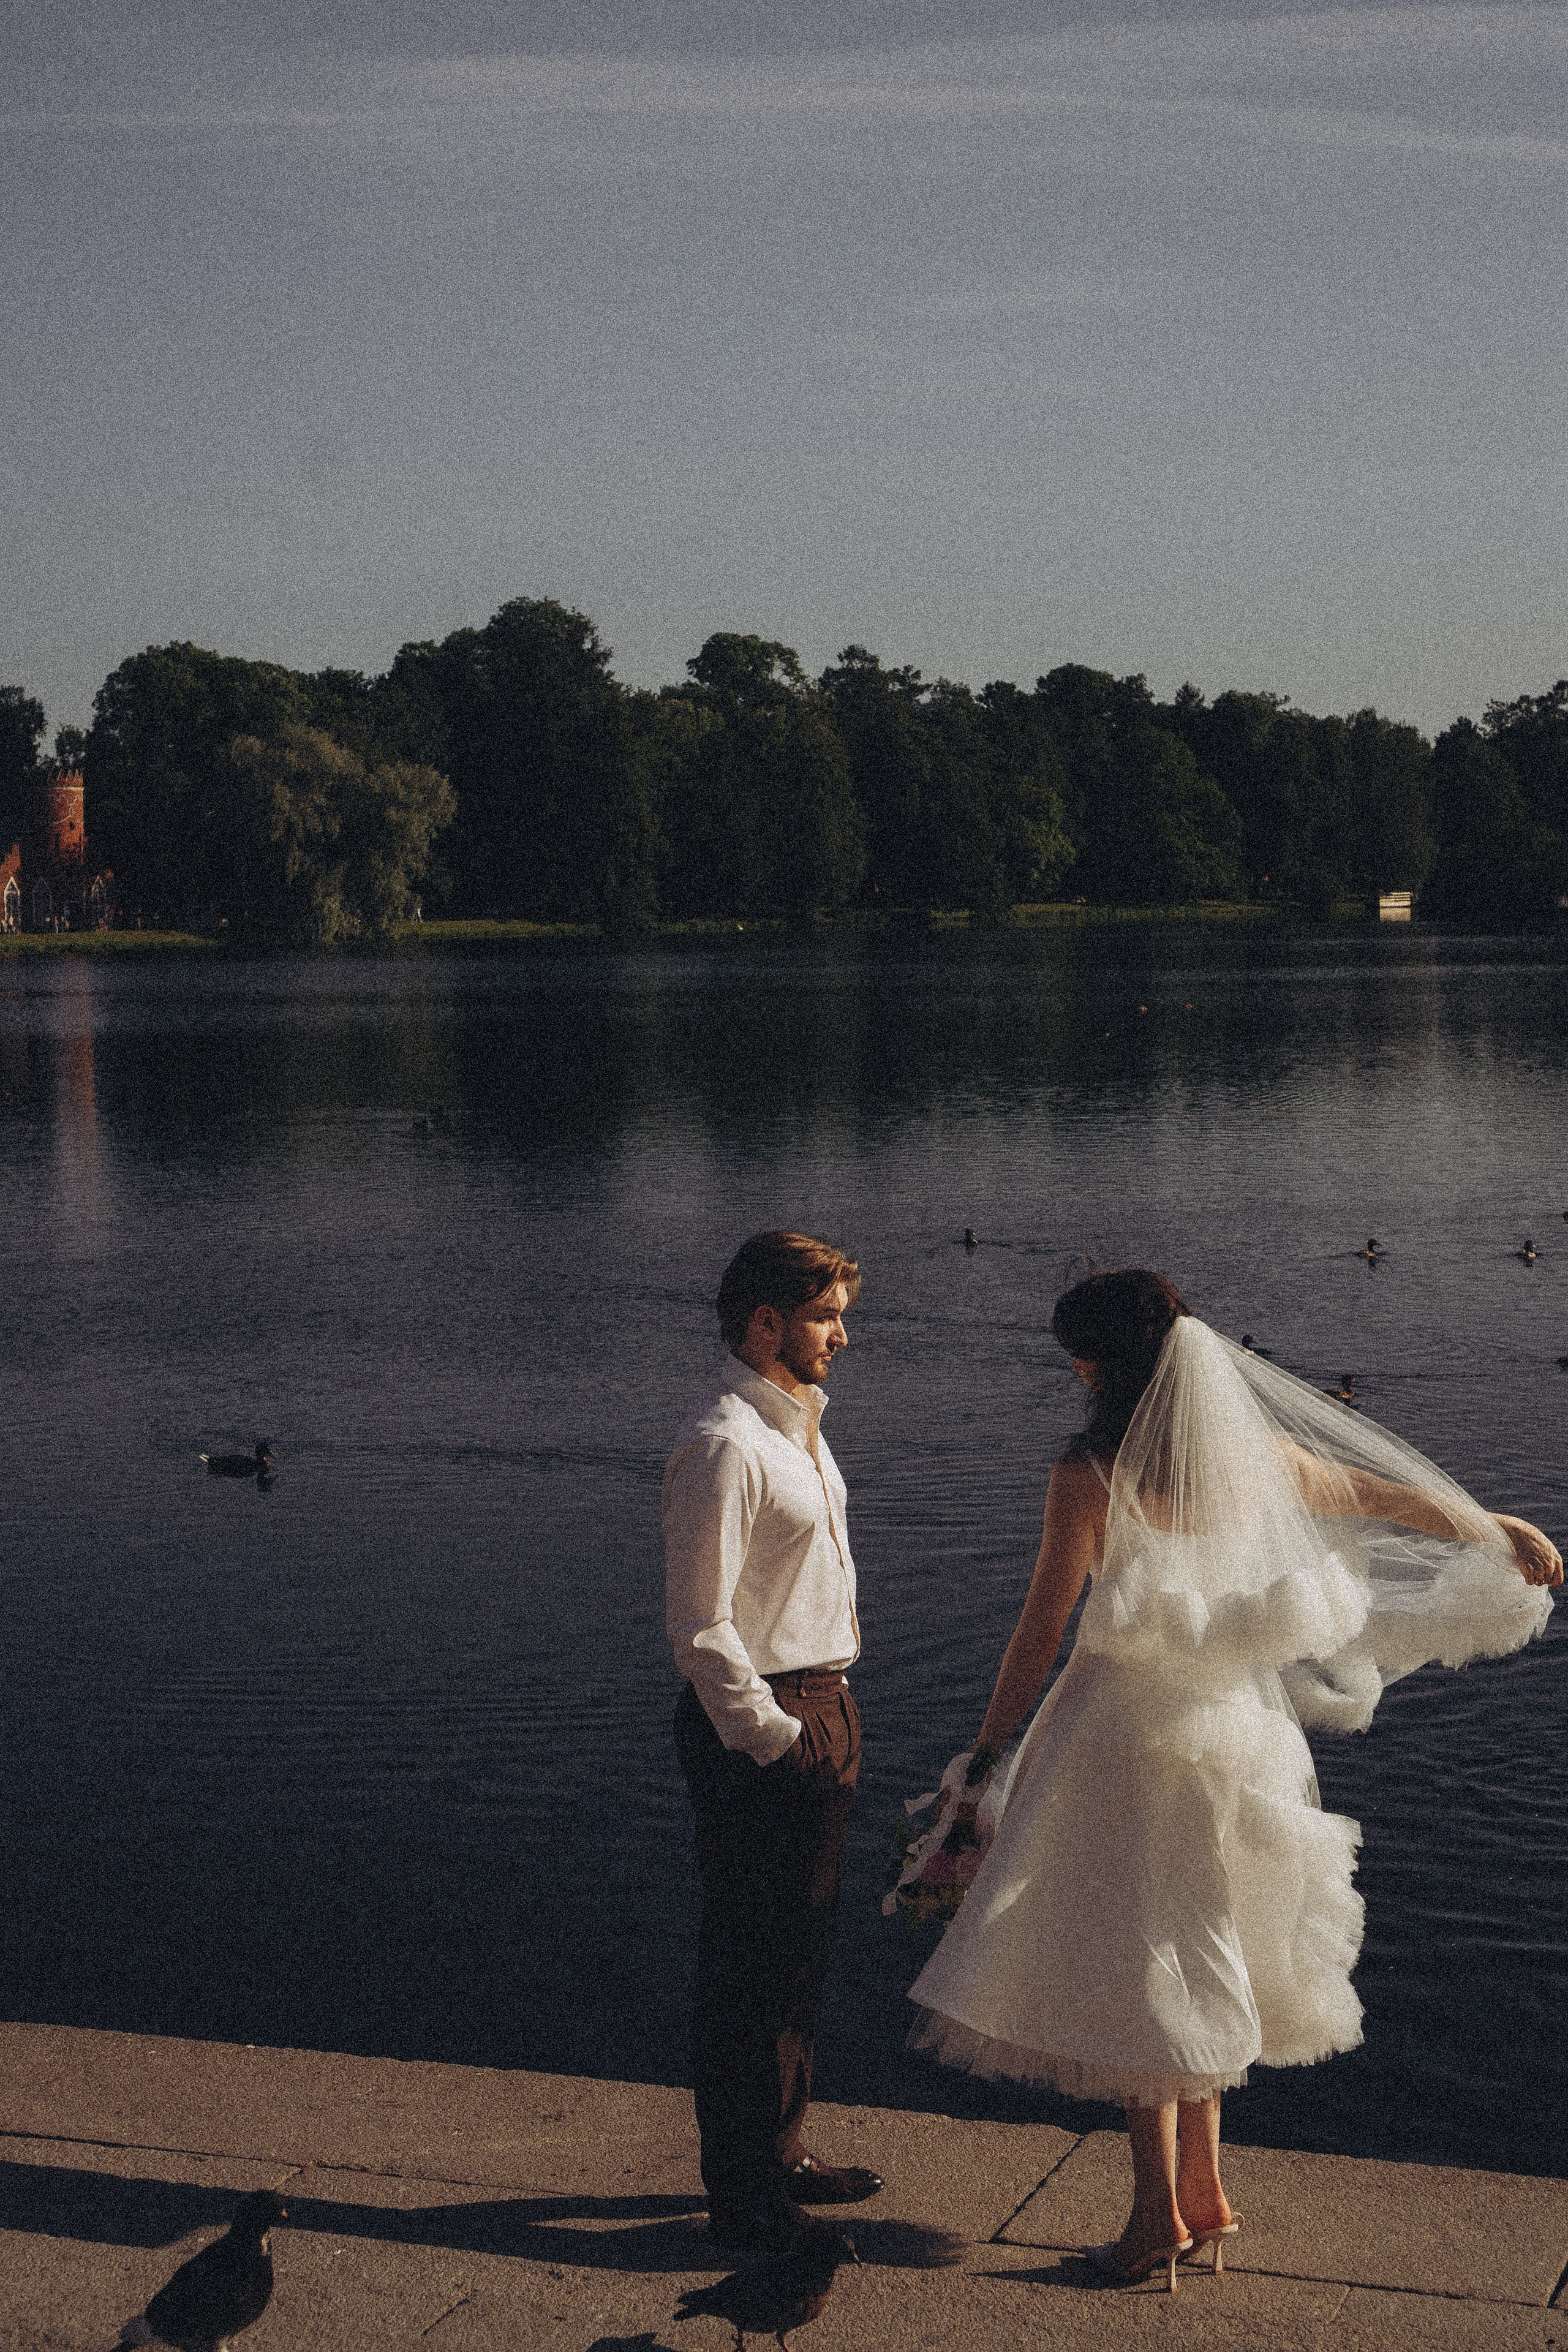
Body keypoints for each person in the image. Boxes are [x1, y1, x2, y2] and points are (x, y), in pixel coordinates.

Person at [908, 1268, 1561, 2290]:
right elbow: (1377, 1496)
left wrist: (986, 1757)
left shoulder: (1090, 1471)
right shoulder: (1258, 1458)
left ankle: (1151, 2220)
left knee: (1142, 1963)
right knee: (1209, 1938)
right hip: (1241, 1732)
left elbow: (1043, 1629)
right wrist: (1494, 1527)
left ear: (1094, 1366)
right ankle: (1204, 2195)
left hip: (1120, 1737)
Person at [666, 1230, 885, 2252]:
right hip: (767, 1722)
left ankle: (781, 2149)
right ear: (766, 1322)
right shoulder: (724, 1444)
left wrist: (820, 1721)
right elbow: (701, 1627)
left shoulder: (798, 1427)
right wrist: (775, 1737)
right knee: (749, 1964)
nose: (844, 1333)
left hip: (822, 1703)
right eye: (826, 1314)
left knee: (800, 1954)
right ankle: (742, 2195)